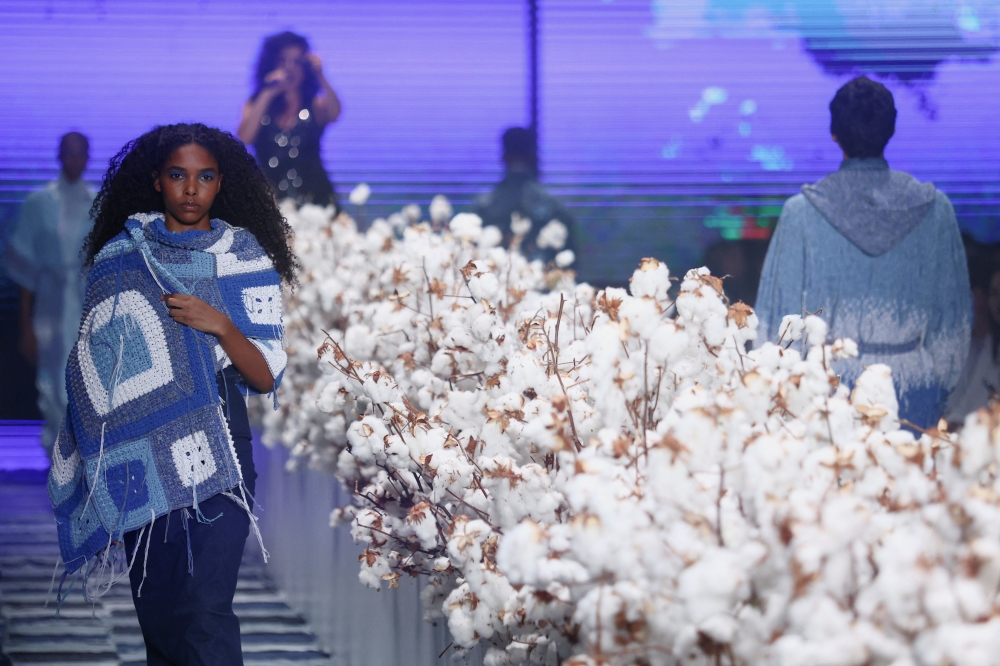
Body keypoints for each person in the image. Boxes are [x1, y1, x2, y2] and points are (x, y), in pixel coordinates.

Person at [49, 123, 296, 665]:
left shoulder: (243, 255)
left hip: (222, 455)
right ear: (156, 181)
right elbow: (93, 378)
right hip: (140, 464)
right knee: (159, 619)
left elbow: (264, 377)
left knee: (206, 612)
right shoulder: (120, 258)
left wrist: (221, 325)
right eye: (178, 176)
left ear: (221, 182)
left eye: (204, 177)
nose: (191, 189)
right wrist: (100, 474)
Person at [755, 76, 970, 429]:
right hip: (911, 392)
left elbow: (778, 326)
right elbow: (953, 326)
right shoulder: (936, 211)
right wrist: (935, 389)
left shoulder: (802, 213)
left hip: (824, 396)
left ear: (834, 134)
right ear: (891, 130)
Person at [4, 132, 94, 453]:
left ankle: (79, 457)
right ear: (59, 156)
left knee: (84, 382)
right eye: (68, 153)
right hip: (50, 304)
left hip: (86, 306)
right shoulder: (38, 203)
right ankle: (57, 456)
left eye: (80, 153)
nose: (74, 160)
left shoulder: (98, 204)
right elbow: (25, 268)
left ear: (88, 157)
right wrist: (25, 325)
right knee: (50, 382)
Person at [238, 31, 341, 209]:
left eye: (297, 62)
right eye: (283, 61)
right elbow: (245, 137)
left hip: (315, 200)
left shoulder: (314, 103)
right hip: (270, 199)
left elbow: (335, 112)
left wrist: (320, 75)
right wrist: (268, 92)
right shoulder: (257, 103)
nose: (290, 68)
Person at [474, 127, 576, 262]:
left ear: (503, 156)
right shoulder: (554, 207)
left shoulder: (484, 206)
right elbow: (570, 258)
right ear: (533, 156)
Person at [945, 253, 1000, 425]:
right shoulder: (992, 344)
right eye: (994, 293)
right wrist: (952, 420)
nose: (997, 301)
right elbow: (969, 401)